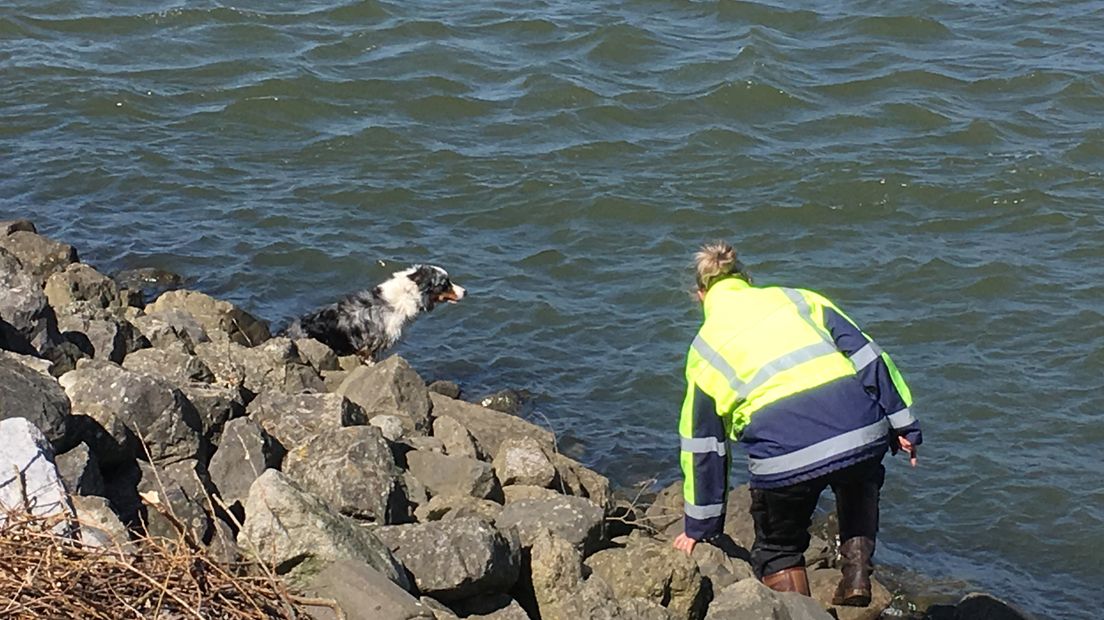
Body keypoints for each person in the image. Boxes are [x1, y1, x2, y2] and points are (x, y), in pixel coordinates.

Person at [672, 241, 921, 606]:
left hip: (785, 455)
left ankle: (800, 610)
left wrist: (701, 526)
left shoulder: (704, 349)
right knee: (860, 478)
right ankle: (856, 574)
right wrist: (904, 426)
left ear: (700, 295)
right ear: (746, 278)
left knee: (778, 547)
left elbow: (705, 445)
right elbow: (870, 357)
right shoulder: (800, 299)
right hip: (861, 429)